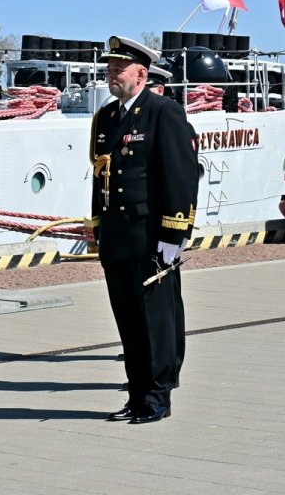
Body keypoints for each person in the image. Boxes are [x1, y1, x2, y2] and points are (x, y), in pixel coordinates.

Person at [90, 35, 198, 425]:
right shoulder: (107, 117)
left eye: (119, 68)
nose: (111, 74)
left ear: (141, 73)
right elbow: (101, 177)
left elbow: (181, 175)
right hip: (118, 236)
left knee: (156, 319)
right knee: (129, 319)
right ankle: (136, 394)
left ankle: (158, 396)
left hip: (152, 234)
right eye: (109, 68)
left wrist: (174, 232)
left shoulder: (163, 111)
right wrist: (97, 224)